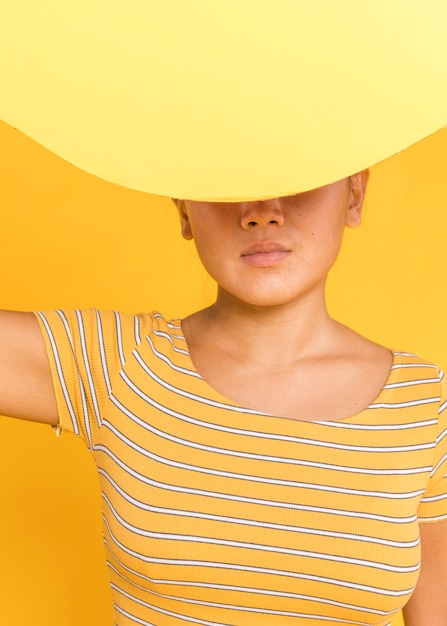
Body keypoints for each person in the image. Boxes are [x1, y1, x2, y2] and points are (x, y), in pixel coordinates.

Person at [1, 171, 446, 626]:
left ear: (355, 194)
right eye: (228, 180)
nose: (262, 213)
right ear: (182, 208)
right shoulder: (119, 363)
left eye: (299, 178)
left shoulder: (423, 404)